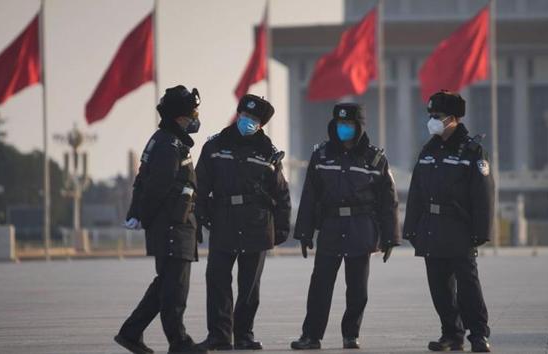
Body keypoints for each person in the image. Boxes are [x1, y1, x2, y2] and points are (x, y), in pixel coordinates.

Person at [290, 103, 400, 350]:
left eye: (349, 125)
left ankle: (351, 334)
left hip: (361, 227)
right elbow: (310, 196)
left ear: (359, 127)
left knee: (357, 288)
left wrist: (390, 236)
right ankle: (311, 336)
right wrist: (305, 232)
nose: (344, 129)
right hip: (330, 227)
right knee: (320, 285)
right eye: (340, 125)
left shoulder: (375, 158)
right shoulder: (321, 155)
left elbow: (388, 200)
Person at [195, 94, 291, 351]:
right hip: (223, 220)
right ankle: (219, 335)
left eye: (253, 119)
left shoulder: (268, 153)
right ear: (238, 114)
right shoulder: (214, 146)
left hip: (256, 223)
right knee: (217, 279)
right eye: (244, 115)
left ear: (261, 124)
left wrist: (282, 226)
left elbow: (281, 192)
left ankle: (244, 335)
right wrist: (201, 215)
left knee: (249, 285)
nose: (247, 121)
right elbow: (200, 185)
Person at [115, 85, 206, 354]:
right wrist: (142, 216)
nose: (196, 118)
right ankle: (179, 343)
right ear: (180, 117)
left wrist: (138, 214)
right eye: (193, 113)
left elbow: (145, 182)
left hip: (176, 226)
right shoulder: (169, 145)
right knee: (174, 290)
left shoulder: (166, 140)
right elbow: (156, 187)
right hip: (172, 227)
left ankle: (130, 333)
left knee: (165, 286)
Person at [403, 91, 493, 352]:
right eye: (430, 115)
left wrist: (481, 231)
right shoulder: (428, 150)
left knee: (468, 285)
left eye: (437, 116)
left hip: (459, 227)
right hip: (431, 227)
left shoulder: (472, 150)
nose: (432, 120)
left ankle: (478, 334)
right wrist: (411, 228)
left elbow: (483, 194)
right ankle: (451, 334)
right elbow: (417, 191)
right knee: (439, 286)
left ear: (453, 119)